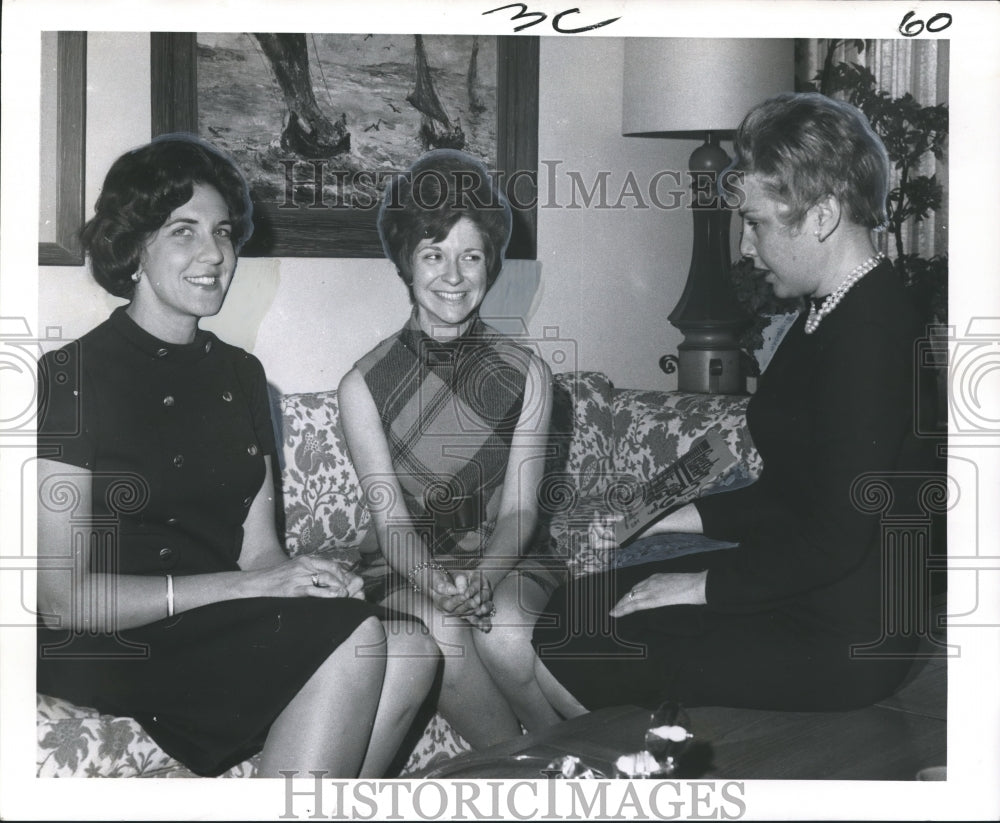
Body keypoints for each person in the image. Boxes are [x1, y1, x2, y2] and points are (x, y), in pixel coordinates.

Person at [35, 135, 439, 778]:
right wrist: (254, 587)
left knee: (414, 646)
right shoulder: (71, 377)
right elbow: (63, 599)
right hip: (109, 635)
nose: (214, 254)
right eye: (182, 231)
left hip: (215, 615)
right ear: (133, 248)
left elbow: (260, 554)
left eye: (222, 232)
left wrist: (309, 584)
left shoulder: (241, 375)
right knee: (360, 638)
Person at [528, 92, 939, 716]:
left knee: (580, 628)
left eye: (756, 222)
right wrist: (654, 515)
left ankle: (624, 782)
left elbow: (835, 535)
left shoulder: (873, 334)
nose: (746, 247)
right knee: (578, 611)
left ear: (821, 214)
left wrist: (701, 586)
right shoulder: (826, 314)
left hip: (845, 635)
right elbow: (792, 493)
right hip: (807, 588)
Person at [338, 149, 560, 747]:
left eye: (471, 256)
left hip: (508, 555)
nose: (454, 276)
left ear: (492, 263)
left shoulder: (529, 373)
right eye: (434, 255)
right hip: (404, 563)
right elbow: (391, 523)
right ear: (406, 265)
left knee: (505, 629)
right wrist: (437, 583)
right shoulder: (363, 385)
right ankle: (513, 764)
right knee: (441, 627)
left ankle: (571, 754)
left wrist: (486, 576)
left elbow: (521, 510)